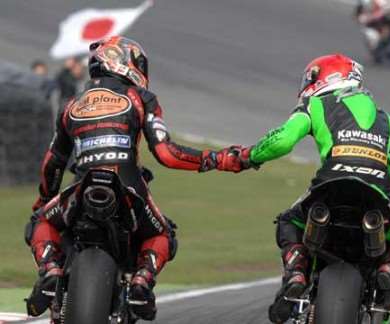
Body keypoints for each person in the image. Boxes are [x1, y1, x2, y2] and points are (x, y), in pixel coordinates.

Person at [25, 36, 243, 320]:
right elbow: (167, 153)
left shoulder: (71, 105)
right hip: (128, 186)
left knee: (41, 220)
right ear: (126, 63)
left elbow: (53, 162)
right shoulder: (140, 98)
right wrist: (217, 159)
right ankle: (142, 280)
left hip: (80, 188)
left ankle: (50, 269)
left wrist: (44, 199)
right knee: (163, 233)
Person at [234, 54, 390, 322]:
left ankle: (296, 274)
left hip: (330, 189)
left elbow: (282, 141)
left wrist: (249, 156)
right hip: (377, 194)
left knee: (289, 222)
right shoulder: (386, 120)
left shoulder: (315, 105)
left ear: (327, 78)